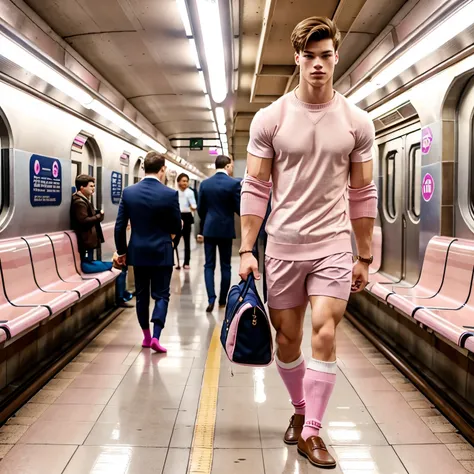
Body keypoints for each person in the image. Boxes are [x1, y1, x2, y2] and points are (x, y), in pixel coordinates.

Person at [239, 17, 377, 469]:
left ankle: (313, 432)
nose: (318, 64)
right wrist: (245, 248)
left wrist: (365, 253)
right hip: (282, 245)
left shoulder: (357, 121)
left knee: (325, 329)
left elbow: (362, 193)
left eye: (325, 55)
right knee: (288, 339)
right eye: (309, 56)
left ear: (336, 56)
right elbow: (256, 187)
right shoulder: (271, 118)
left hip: (333, 245)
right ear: (297, 59)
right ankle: (299, 410)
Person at [114, 151, 181, 353]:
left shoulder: (129, 192)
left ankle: (146, 337)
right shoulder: (170, 194)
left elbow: (119, 226)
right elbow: (176, 228)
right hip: (162, 252)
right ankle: (157, 336)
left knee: (142, 295)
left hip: (138, 252)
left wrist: (121, 251)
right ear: (163, 169)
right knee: (162, 295)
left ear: (143, 168)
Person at [198, 155, 241, 313]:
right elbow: (239, 207)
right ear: (228, 166)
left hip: (209, 229)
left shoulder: (205, 184)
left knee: (209, 265)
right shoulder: (234, 183)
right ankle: (223, 300)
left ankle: (211, 299)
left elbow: (201, 209)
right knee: (226, 266)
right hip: (226, 229)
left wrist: (208, 220)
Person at [70, 175, 111, 274]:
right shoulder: (79, 202)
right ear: (82, 187)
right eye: (91, 186)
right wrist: (99, 217)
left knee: (91, 262)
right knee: (87, 264)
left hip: (88, 240)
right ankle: (112, 265)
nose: (93, 189)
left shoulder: (84, 200)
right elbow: (83, 221)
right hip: (85, 240)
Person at [174, 173, 197, 270]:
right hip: (177, 216)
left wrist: (192, 205)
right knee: (175, 241)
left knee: (187, 241)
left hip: (187, 217)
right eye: (183, 181)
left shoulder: (190, 192)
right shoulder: (175, 192)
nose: (185, 183)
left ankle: (186, 262)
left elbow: (194, 206)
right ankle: (177, 262)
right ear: (178, 181)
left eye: (187, 181)